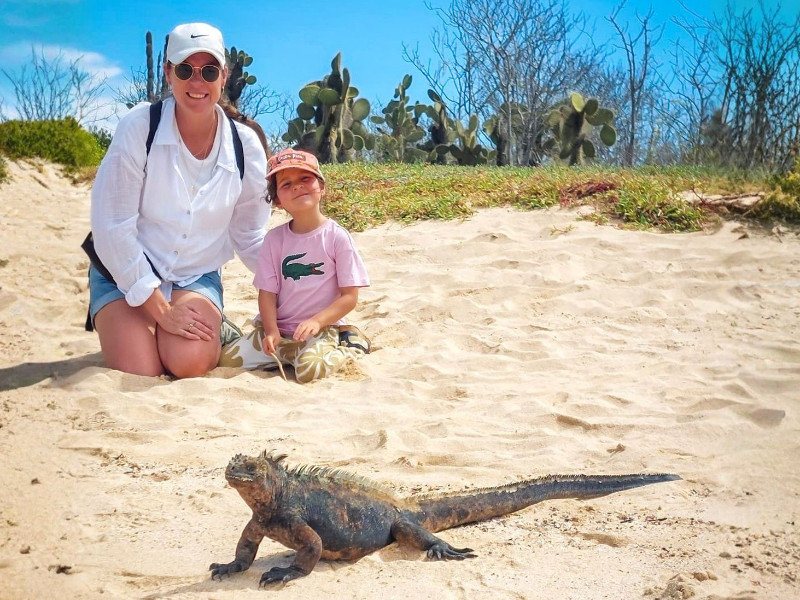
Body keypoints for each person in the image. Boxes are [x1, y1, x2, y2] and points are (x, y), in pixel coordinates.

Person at [89, 22, 270, 378]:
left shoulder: (245, 146)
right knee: (140, 370)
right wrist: (162, 311)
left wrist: (298, 284)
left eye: (209, 70)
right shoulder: (139, 127)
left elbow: (249, 235)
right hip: (123, 272)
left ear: (224, 76)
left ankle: (204, 320)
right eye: (185, 69)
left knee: (189, 364)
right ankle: (137, 323)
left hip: (194, 276)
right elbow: (112, 226)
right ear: (168, 72)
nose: (197, 81)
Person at [219, 149, 371, 383]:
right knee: (225, 360)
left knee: (308, 372)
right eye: (286, 184)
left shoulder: (337, 237)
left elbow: (349, 297)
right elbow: (267, 293)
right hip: (277, 333)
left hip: (318, 331)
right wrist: (271, 331)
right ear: (278, 200)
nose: (297, 187)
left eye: (305, 179)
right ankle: (267, 347)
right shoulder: (274, 239)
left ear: (321, 186)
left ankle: (350, 341)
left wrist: (317, 322)